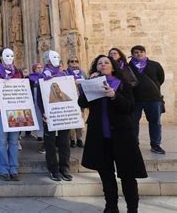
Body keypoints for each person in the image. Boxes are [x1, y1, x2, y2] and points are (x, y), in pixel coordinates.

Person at [79, 55, 147, 213]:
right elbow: (82, 103)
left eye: (106, 62)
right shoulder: (93, 83)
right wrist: (88, 83)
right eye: (99, 63)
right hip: (101, 137)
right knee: (106, 174)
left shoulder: (122, 84)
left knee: (128, 175)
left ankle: (132, 208)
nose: (103, 65)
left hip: (122, 137)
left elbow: (130, 107)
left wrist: (114, 96)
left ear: (113, 66)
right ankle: (111, 206)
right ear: (96, 67)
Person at [0, 48, 23, 181]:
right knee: (2, 142)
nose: (9, 58)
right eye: (6, 55)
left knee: (13, 142)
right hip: (0, 112)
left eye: (12, 55)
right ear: (1, 57)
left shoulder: (18, 73)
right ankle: (3, 169)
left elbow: (23, 93)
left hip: (15, 112)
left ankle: (13, 168)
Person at [38, 50, 73, 182]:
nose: (56, 60)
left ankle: (64, 168)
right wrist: (43, 112)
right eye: (54, 58)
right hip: (49, 114)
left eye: (58, 57)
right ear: (47, 61)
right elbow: (40, 98)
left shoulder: (64, 75)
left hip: (64, 113)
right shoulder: (43, 77)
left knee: (65, 141)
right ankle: (53, 169)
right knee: (50, 142)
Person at [128, 45, 166, 154]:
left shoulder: (155, 65)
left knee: (155, 122)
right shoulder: (128, 67)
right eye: (136, 52)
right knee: (133, 122)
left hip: (153, 98)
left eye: (141, 52)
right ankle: (134, 144)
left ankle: (155, 145)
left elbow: (160, 79)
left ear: (145, 53)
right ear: (132, 55)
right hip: (135, 99)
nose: (139, 54)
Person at [66, 57, 87, 148]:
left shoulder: (83, 73)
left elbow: (87, 83)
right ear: (68, 63)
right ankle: (72, 139)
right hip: (70, 99)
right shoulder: (65, 73)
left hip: (81, 98)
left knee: (80, 119)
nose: (74, 63)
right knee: (71, 119)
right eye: (72, 61)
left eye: (76, 61)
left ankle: (79, 138)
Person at [29, 63, 45, 153]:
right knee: (37, 115)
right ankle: (39, 134)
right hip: (34, 98)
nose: (40, 69)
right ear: (34, 69)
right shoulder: (31, 77)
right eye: (38, 68)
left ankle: (42, 133)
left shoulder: (44, 76)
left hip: (42, 97)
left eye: (41, 67)